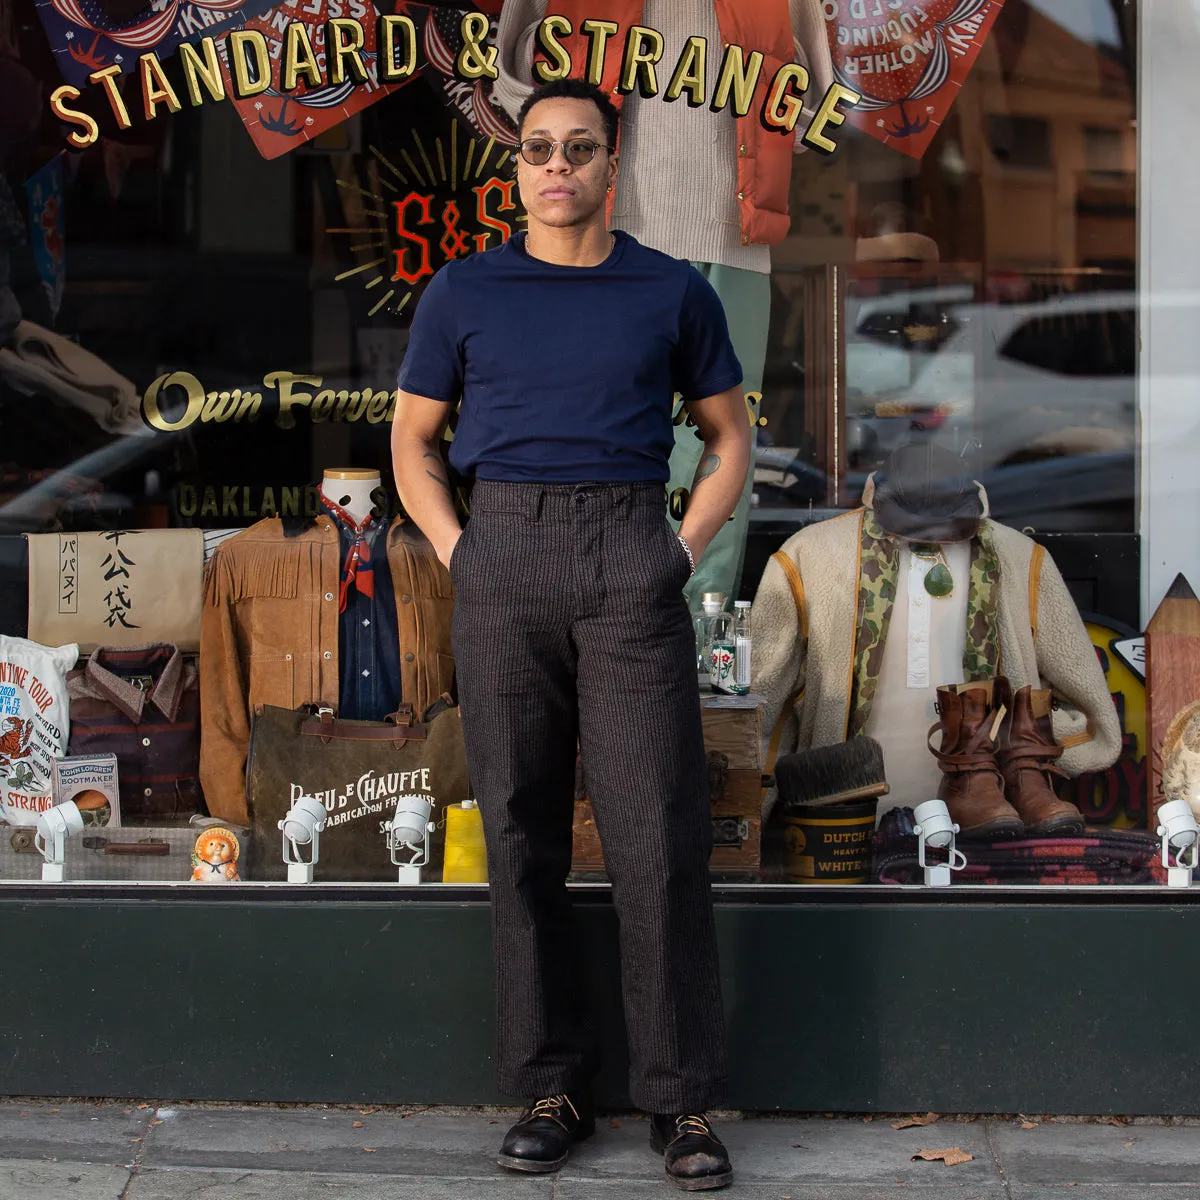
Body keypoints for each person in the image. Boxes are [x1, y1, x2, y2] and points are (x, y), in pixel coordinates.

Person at [392, 77, 750, 1192]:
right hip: (503, 552)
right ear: (518, 169)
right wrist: (461, 550)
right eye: (538, 148)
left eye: (579, 148)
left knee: (656, 832)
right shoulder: (463, 291)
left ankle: (681, 1103)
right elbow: (414, 441)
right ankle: (551, 1088)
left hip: (626, 555)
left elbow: (728, 437)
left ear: (611, 163)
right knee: (519, 828)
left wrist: (679, 551)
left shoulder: (673, 291)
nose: (556, 166)